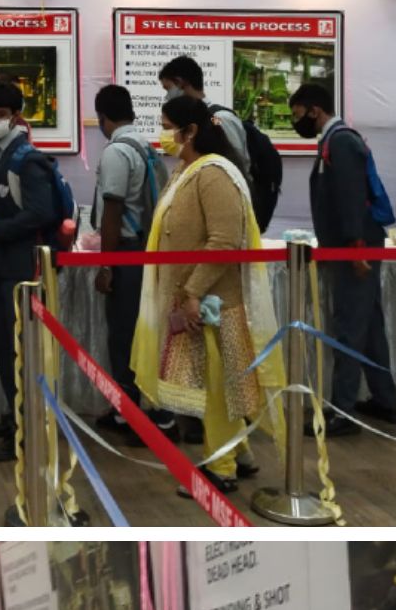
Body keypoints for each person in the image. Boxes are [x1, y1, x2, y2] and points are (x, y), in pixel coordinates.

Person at [132, 97, 270, 493]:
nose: (163, 135)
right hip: (192, 298)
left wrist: (192, 292)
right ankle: (238, 454)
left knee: (215, 388)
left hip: (211, 302)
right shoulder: (187, 170)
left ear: (190, 131)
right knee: (218, 383)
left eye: (167, 126)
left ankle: (220, 467)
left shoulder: (214, 175)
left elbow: (225, 242)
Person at [287, 77, 396, 435]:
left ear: (315, 110)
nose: (296, 121)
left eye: (298, 114)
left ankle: (342, 411)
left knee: (350, 327)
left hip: (357, 245)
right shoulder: (334, 141)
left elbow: (352, 198)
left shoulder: (341, 142)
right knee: (367, 325)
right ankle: (386, 402)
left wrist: (355, 248)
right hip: (351, 244)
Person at [0, 77, 60, 467]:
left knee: (19, 349)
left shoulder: (28, 159)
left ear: (17, 117)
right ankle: (14, 413)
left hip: (21, 266)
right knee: (3, 345)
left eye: (0, 115)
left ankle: (26, 431)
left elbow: (43, 212)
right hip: (0, 263)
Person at [86, 84, 168, 438]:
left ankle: (144, 416)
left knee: (125, 335)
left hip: (127, 250)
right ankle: (126, 410)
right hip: (148, 249)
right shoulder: (148, 148)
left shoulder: (117, 152)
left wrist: (106, 265)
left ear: (102, 117)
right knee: (141, 333)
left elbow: (113, 210)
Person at [152, 55, 250, 178]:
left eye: (168, 89)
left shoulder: (218, 118)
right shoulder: (192, 121)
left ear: (180, 82)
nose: (167, 97)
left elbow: (236, 163)